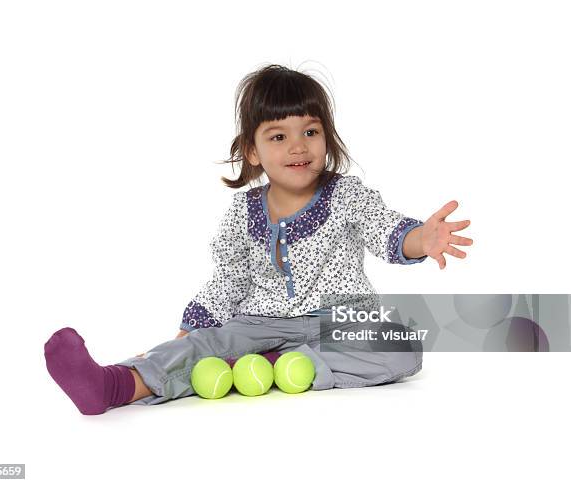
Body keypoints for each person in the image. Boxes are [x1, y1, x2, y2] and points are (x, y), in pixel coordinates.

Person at [44, 64, 473, 415]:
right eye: (278, 136)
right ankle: (114, 385)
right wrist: (190, 329)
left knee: (401, 347)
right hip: (257, 323)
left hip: (339, 322)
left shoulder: (347, 195)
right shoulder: (242, 212)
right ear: (252, 151)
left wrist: (423, 238)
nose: (298, 147)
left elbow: (387, 231)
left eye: (310, 131)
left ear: (327, 136)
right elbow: (229, 279)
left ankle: (279, 367)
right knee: (199, 346)